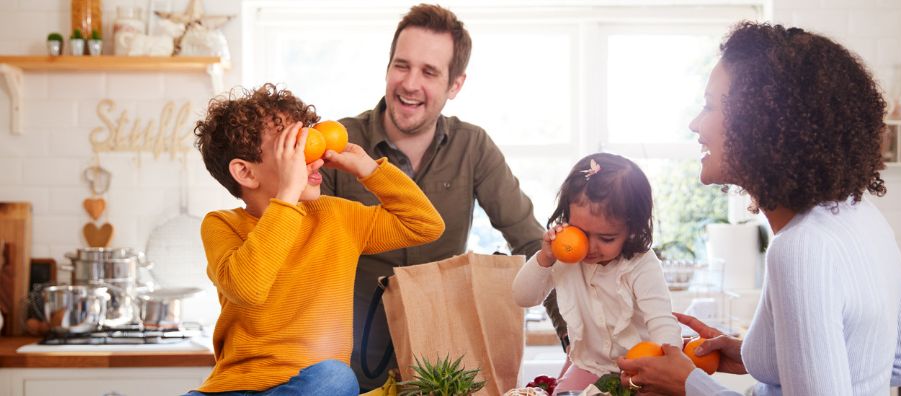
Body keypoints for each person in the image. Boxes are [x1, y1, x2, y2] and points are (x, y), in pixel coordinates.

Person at [616, 22, 901, 395]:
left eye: (710, 106)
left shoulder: (800, 249)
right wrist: (759, 356)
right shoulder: (861, 216)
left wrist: (688, 385)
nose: (695, 124)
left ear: (759, 123)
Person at [319, 4, 558, 390]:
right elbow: (304, 255)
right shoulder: (339, 143)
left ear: (455, 85)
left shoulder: (473, 147)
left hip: (442, 367)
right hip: (347, 362)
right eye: (402, 65)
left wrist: (573, 340)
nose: (410, 83)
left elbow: (533, 244)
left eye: (429, 72)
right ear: (387, 68)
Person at [189, 83, 445, 395]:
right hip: (234, 389)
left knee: (336, 377)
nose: (314, 157)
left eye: (310, 139)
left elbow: (424, 224)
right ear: (245, 172)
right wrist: (288, 194)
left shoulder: (336, 217)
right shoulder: (222, 224)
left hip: (315, 385)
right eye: (293, 148)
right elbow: (248, 287)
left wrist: (369, 170)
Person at [512, 153, 682, 394]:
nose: (590, 248)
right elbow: (523, 297)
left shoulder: (641, 264)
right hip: (588, 366)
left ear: (632, 230)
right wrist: (545, 258)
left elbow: (662, 322)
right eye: (581, 232)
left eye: (607, 238)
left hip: (639, 370)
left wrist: (670, 369)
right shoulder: (565, 255)